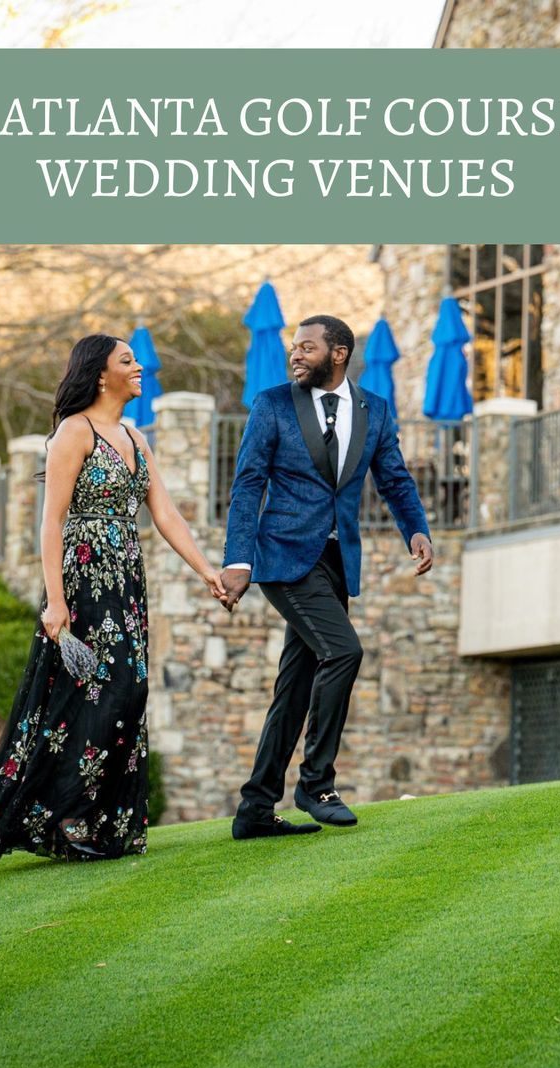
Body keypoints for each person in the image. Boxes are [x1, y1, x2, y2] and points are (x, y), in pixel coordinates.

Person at [0, 333, 226, 863]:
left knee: (131, 689)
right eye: (128, 361)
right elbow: (50, 523)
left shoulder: (134, 436)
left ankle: (95, 819)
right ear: (101, 375)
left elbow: (165, 513)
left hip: (126, 577)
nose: (140, 366)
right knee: (101, 691)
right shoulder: (73, 434)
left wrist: (206, 572)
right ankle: (69, 816)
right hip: (83, 580)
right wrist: (55, 604)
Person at [221, 315, 433, 840]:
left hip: (337, 562)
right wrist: (238, 560)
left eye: (307, 347)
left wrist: (417, 530)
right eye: (294, 346)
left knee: (294, 687)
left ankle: (255, 809)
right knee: (344, 651)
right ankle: (317, 783)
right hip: (285, 559)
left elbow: (395, 479)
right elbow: (248, 483)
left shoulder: (374, 411)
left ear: (337, 354)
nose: (295, 354)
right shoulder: (272, 405)